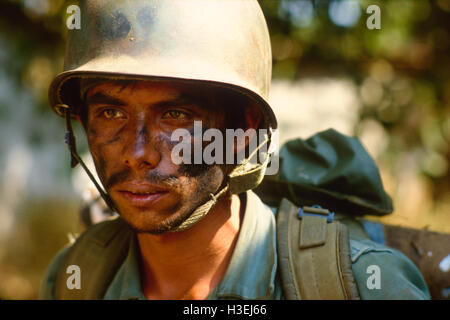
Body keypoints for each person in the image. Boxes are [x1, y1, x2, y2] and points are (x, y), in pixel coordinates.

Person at [40, 0, 429, 300]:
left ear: (245, 127)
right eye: (111, 112)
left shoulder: (362, 284)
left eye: (174, 114)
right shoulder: (76, 275)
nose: (137, 152)